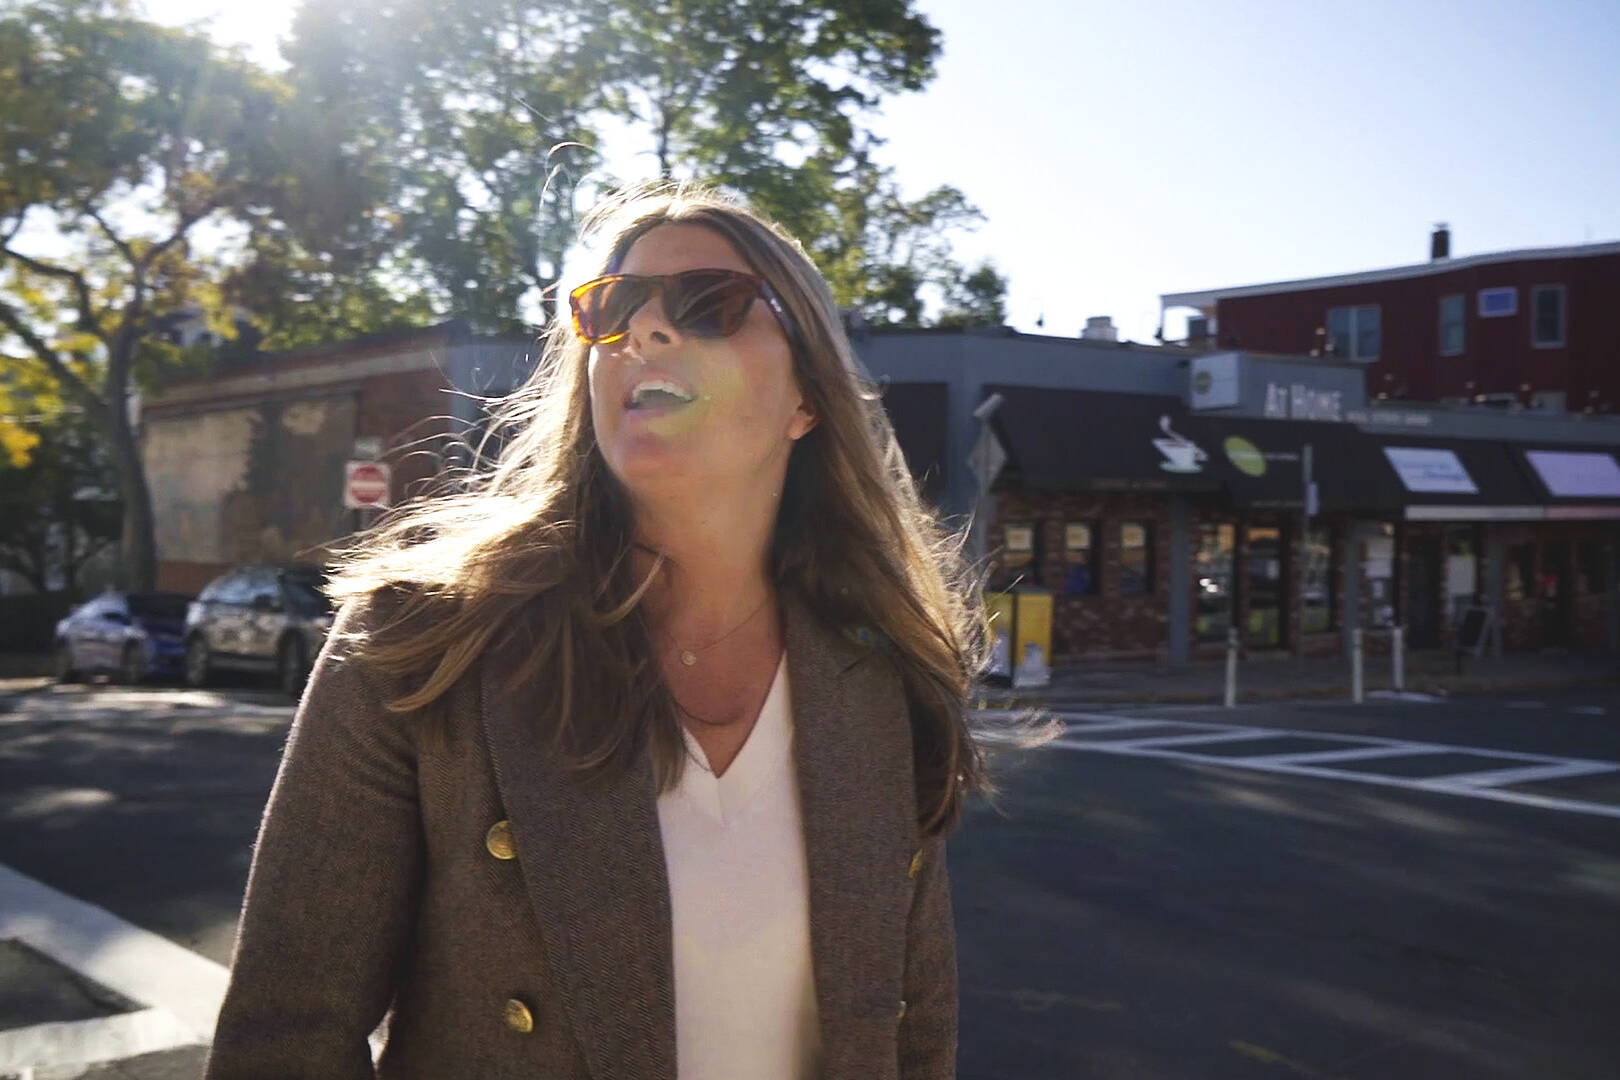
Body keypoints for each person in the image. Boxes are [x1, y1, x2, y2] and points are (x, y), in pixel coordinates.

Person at [205, 183, 987, 1080]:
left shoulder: (881, 675)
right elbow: (288, 1035)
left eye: (709, 303)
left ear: (807, 398)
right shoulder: (420, 640)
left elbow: (915, 1038)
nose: (644, 329)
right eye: (613, 308)